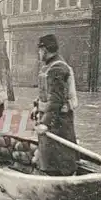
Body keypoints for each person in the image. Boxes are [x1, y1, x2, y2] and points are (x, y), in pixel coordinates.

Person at [32, 34, 78, 176]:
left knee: (60, 154)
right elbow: (45, 93)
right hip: (51, 116)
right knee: (49, 153)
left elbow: (56, 99)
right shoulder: (49, 67)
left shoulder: (57, 68)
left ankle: (61, 179)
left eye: (40, 50)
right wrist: (36, 106)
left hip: (59, 120)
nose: (39, 54)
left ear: (45, 49)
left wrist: (46, 123)